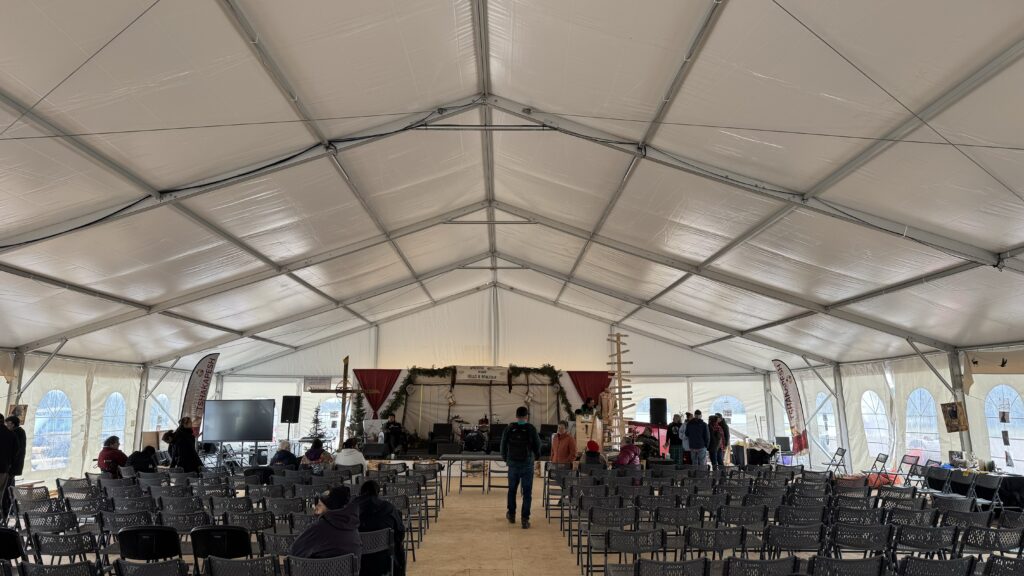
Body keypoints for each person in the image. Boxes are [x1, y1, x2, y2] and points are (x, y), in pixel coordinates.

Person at [289, 485, 362, 559]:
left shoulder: (318, 528)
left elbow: (294, 552)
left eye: (320, 505)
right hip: (349, 570)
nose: (315, 507)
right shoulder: (353, 525)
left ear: (330, 508)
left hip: (319, 569)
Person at [500, 406, 541, 529]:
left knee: (512, 490)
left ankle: (511, 515)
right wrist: (536, 457)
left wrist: (506, 459)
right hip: (527, 464)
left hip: (513, 465)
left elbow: (502, 445)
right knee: (527, 493)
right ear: (526, 416)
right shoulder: (531, 428)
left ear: (516, 416)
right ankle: (524, 519)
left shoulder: (509, 428)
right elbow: (537, 445)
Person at [355, 480, 406, 576]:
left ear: (360, 493)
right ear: (378, 492)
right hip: (384, 562)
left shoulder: (351, 510)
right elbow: (400, 533)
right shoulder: (389, 507)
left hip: (358, 564)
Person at [2, 416, 26, 518]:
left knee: (7, 490)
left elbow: (15, 451)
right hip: (14, 467)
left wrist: (9, 463)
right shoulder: (21, 432)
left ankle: (7, 509)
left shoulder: (15, 433)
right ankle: (11, 509)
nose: (6, 426)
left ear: (12, 423)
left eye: (7, 424)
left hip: (11, 467)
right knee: (10, 488)